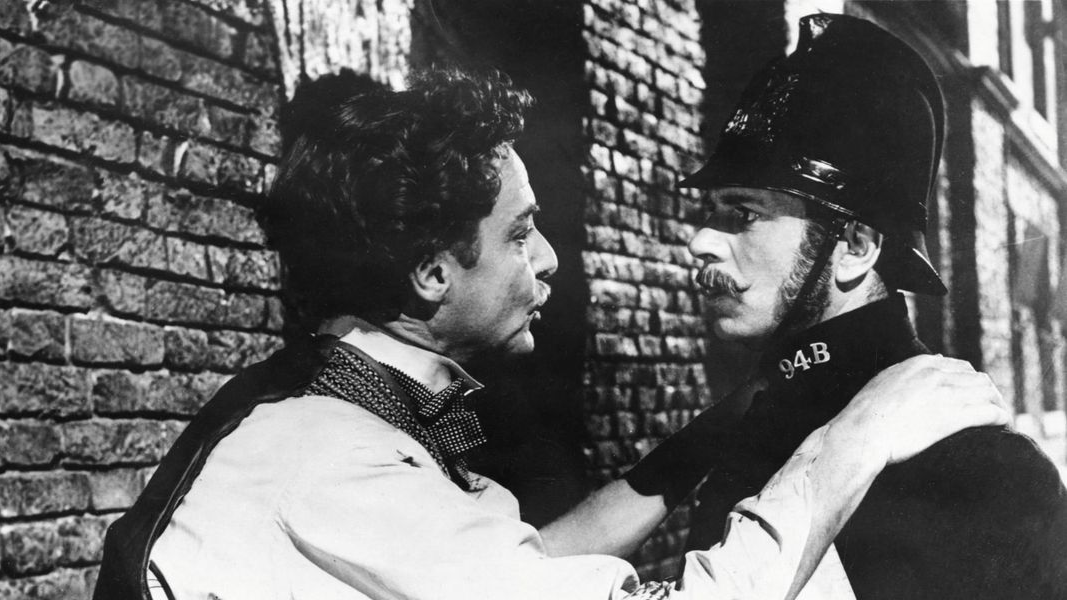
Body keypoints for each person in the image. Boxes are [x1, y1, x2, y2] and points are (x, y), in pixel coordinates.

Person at [93, 67, 1006, 600]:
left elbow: (527, 570)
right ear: (432, 273)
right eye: (521, 234)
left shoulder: (325, 410)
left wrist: (715, 434)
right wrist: (852, 440)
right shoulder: (324, 457)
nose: (551, 260)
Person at [675, 13, 1067, 600]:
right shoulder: (755, 425)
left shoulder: (980, 467)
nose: (702, 240)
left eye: (745, 213)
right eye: (712, 211)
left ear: (856, 247)